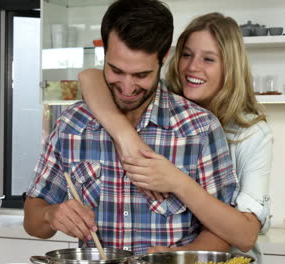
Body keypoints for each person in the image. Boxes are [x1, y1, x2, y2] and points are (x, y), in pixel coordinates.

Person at [23, 0, 239, 256]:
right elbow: (32, 219)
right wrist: (51, 214)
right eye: (116, 70)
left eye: (141, 75)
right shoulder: (71, 125)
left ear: (163, 58)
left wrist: (178, 259)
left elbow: (222, 233)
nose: (127, 88)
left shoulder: (199, 129)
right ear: (104, 52)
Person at [78, 12, 273, 255]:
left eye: (208, 59)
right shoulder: (155, 101)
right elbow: (89, 77)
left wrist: (178, 182)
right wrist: (124, 135)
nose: (193, 67)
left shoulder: (252, 134)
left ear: (230, 67)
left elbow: (244, 236)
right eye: (187, 55)